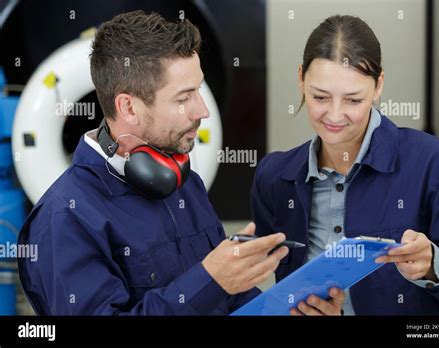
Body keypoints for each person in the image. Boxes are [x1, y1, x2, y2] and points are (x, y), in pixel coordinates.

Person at [17, 10, 289, 315]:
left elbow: (232, 300)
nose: (202, 111)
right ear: (128, 108)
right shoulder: (66, 218)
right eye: (184, 98)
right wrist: (210, 281)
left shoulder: (185, 183)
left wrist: (289, 308)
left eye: (198, 90)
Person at [251, 15, 439, 315]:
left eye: (353, 100)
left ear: (378, 85)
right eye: (320, 97)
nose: (334, 115)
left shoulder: (438, 164)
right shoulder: (273, 177)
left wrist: (435, 265)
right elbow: (270, 288)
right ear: (301, 78)